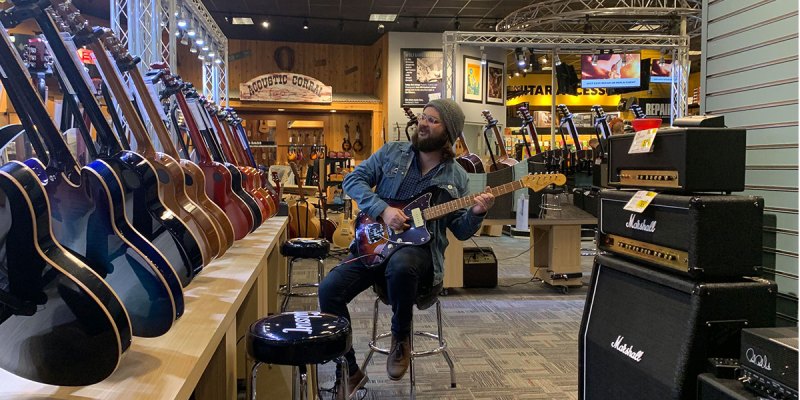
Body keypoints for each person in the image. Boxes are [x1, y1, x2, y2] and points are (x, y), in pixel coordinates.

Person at [319, 99, 495, 399]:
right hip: (375, 244)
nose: (423, 123)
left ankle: (401, 337)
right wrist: (383, 209)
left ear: (449, 132)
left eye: (433, 120)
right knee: (329, 290)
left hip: (419, 254)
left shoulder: (457, 176)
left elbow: (461, 230)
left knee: (402, 265)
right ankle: (349, 370)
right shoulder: (392, 152)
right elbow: (353, 179)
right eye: (424, 117)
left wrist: (477, 212)